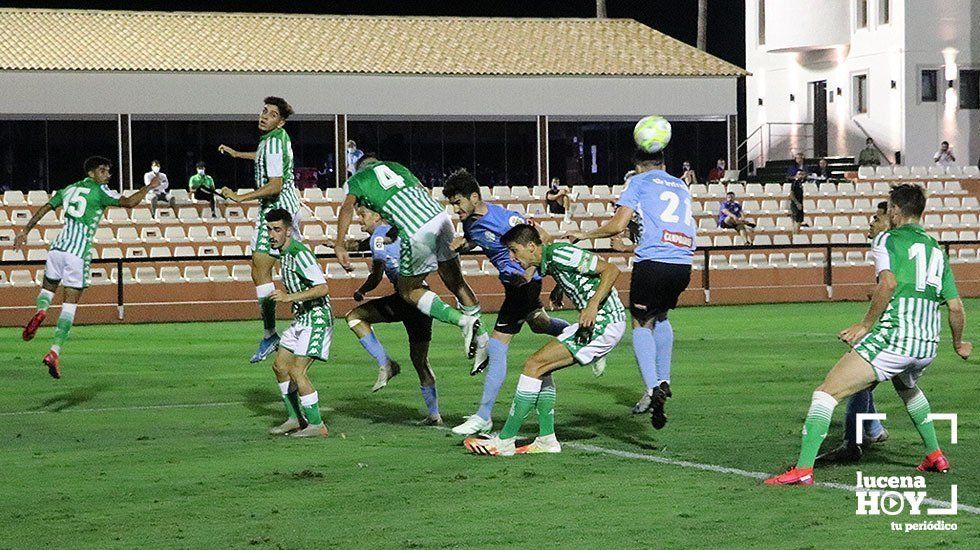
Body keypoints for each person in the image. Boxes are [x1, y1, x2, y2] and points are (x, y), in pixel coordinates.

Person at [766, 184, 971, 485]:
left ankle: (803, 470)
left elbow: (887, 284)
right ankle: (935, 455)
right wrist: (958, 343)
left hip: (896, 338)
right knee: (907, 389)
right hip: (927, 344)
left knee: (826, 393)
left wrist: (865, 325)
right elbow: (955, 306)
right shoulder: (937, 250)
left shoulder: (887, 238)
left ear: (897, 211)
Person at [463, 224, 626, 456]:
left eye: (513, 250)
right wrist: (561, 287)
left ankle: (506, 440)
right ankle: (547, 439)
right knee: (542, 370)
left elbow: (611, 270)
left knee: (533, 365)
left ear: (531, 247)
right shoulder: (550, 261)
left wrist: (592, 305)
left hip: (604, 321)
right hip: (601, 322)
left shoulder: (560, 253)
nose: (511, 257)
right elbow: (576, 272)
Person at [570, 148, 696, 429]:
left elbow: (617, 225)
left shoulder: (639, 181)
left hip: (652, 264)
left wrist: (585, 234)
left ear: (639, 167)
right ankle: (664, 380)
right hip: (683, 264)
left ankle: (653, 390)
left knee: (640, 324)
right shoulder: (680, 183)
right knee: (661, 316)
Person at [441, 169, 574, 436]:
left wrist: (526, 275)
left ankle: (484, 416)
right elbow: (481, 240)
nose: (455, 209)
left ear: (474, 197)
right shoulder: (470, 223)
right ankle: (580, 334)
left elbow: (543, 239)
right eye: (452, 204)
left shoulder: (505, 218)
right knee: (539, 324)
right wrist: (462, 246)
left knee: (497, 345)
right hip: (514, 285)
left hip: (524, 284)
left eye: (458, 202)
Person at [334, 154, 492, 373]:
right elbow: (420, 195)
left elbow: (346, 208)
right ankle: (483, 341)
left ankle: (462, 322)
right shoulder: (397, 166)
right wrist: (395, 231)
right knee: (457, 283)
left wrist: (339, 244)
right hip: (440, 217)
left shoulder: (358, 180)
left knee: (408, 290)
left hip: (417, 229)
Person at [16, 156, 159, 378]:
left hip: (57, 248)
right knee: (69, 305)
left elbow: (46, 207)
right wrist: (148, 187)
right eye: (103, 171)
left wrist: (25, 230)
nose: (107, 175)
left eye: (108, 171)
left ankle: (41, 311)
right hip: (77, 253)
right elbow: (130, 203)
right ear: (91, 173)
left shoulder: (69, 189)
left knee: (47, 290)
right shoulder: (101, 191)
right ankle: (54, 351)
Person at [217, 96, 304, 363]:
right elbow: (264, 158)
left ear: (281, 121)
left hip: (279, 208)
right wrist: (237, 154)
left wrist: (240, 198)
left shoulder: (276, 140)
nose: (264, 115)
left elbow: (276, 184)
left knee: (270, 267)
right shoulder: (273, 139)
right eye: (264, 111)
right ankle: (274, 331)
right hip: (273, 209)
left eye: (272, 113)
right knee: (260, 268)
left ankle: (286, 327)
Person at [345, 203, 442, 426]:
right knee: (420, 361)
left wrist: (361, 290)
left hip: (405, 299)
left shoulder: (377, 237)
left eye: (363, 215)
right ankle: (434, 414)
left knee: (355, 317)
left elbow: (377, 275)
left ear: (377, 216)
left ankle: (386, 363)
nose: (360, 219)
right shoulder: (392, 233)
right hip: (422, 299)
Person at [817, 201, 891, 464]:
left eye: (877, 217)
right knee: (867, 380)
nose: (870, 222)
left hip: (903, 332)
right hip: (913, 330)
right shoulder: (899, 246)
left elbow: (891, 284)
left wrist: (866, 324)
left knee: (859, 376)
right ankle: (871, 430)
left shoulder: (885, 243)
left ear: (890, 220)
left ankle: (852, 441)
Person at [263, 208, 332, 438]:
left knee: (296, 370)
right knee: (280, 367)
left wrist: (287, 297)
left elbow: (322, 288)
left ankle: (317, 425)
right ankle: (295, 418)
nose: (272, 234)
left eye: (277, 229)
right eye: (269, 230)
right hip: (301, 318)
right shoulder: (284, 255)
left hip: (317, 318)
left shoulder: (300, 253)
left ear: (289, 231)